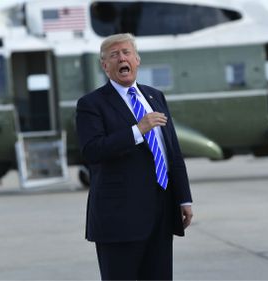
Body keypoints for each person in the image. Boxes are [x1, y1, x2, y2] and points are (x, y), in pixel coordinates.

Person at [75, 33, 193, 280]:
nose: (122, 58)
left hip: (161, 212)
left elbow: (172, 151)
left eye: (126, 52)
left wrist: (184, 198)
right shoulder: (91, 104)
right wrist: (137, 130)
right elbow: (92, 151)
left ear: (137, 60)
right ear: (104, 66)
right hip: (119, 218)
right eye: (114, 55)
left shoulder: (155, 96)